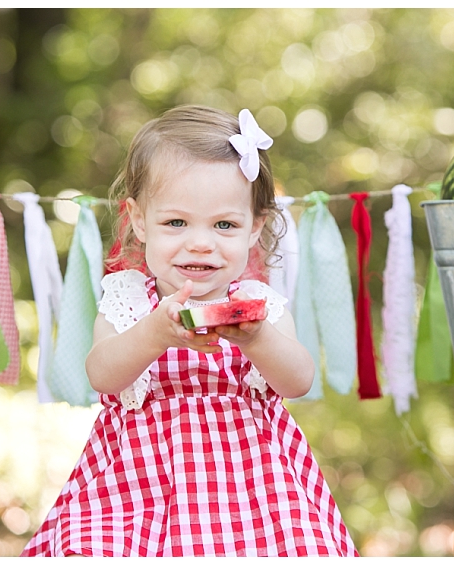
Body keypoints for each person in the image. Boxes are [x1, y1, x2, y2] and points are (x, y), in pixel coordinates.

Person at [20, 105, 358, 557]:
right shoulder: (130, 298)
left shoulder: (259, 304)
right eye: (176, 222)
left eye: (224, 225)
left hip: (252, 488)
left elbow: (297, 381)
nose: (201, 242)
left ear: (255, 227)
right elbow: (102, 375)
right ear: (139, 221)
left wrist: (258, 339)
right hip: (137, 487)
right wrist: (155, 333)